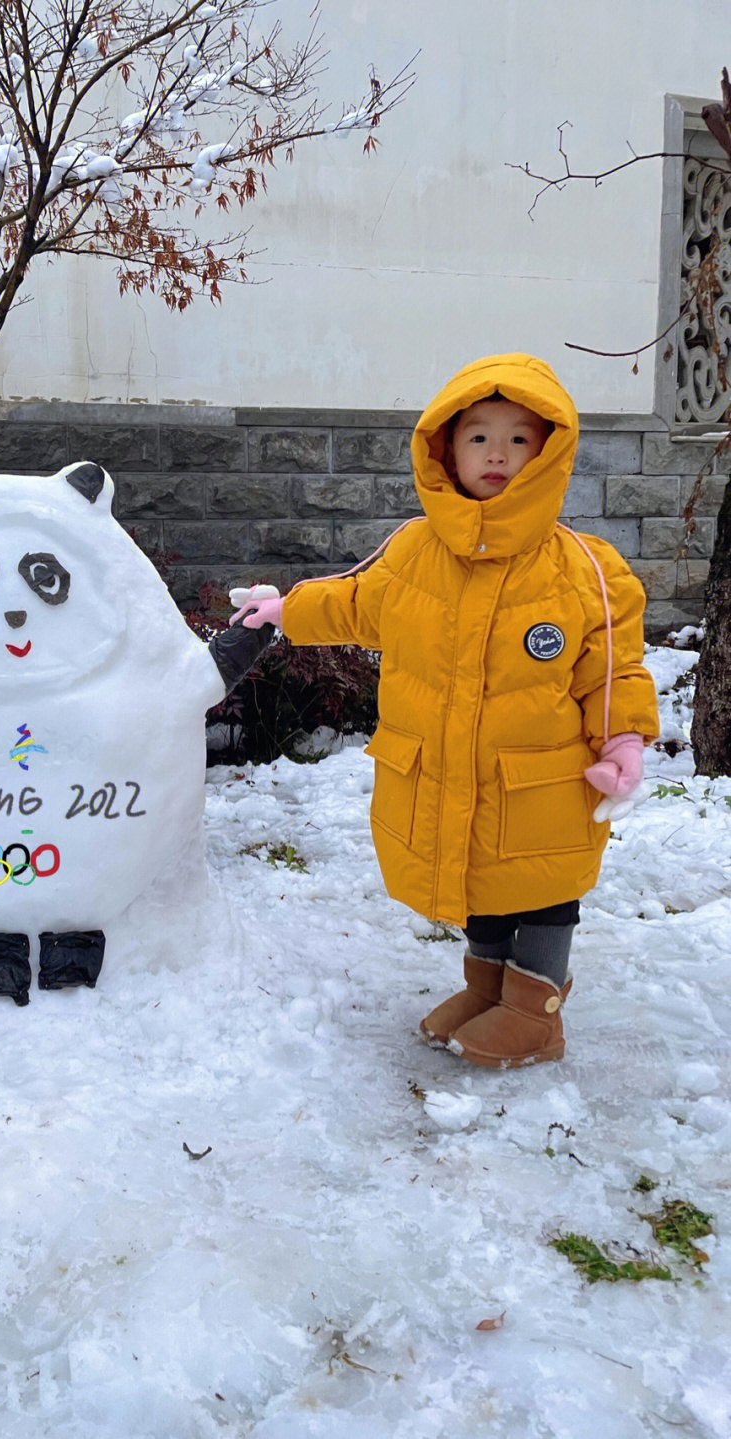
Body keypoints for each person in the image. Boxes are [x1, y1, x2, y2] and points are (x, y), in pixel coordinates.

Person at [231, 353, 660, 1068]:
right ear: (445, 450)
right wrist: (287, 609)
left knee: (544, 890)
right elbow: (355, 599)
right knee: (479, 883)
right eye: (479, 437)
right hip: (448, 770)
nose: (498, 453)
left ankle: (535, 1011)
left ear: (549, 452)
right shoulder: (412, 554)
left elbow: (613, 669)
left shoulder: (585, 569)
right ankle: (488, 988)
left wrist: (623, 742)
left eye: (519, 439)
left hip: (543, 785)